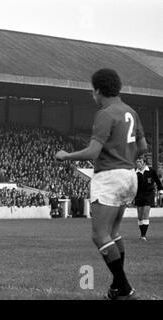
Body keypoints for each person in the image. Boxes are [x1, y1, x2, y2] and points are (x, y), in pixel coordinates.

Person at [55, 68, 147, 300]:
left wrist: (66, 156)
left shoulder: (106, 114)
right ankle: (117, 289)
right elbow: (143, 147)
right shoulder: (131, 112)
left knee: (100, 235)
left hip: (109, 177)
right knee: (113, 232)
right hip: (129, 175)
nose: (92, 95)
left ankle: (125, 289)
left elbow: (94, 152)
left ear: (98, 90)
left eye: (92, 90)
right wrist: (126, 159)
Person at [134, 156, 163, 241]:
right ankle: (142, 234)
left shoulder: (151, 171)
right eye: (137, 161)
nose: (138, 163)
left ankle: (143, 236)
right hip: (139, 195)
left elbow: (158, 181)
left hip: (149, 194)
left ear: (144, 163)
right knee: (140, 217)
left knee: (145, 215)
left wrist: (161, 191)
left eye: (140, 161)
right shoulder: (135, 173)